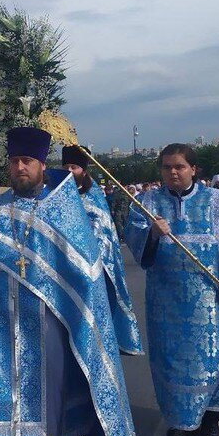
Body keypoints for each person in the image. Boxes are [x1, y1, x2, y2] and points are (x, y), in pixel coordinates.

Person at [0, 128, 142, 436]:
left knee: (48, 391)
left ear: (42, 165)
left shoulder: (63, 209)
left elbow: (84, 268)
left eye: (27, 161)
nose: (19, 167)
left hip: (47, 316)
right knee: (0, 394)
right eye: (14, 161)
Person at [126, 143, 219, 436]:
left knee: (215, 361)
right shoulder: (147, 202)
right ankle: (181, 419)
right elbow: (136, 243)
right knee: (171, 364)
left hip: (208, 301)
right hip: (164, 301)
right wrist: (151, 234)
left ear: (193, 169)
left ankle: (209, 421)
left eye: (179, 167)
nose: (172, 172)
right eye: (166, 167)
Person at [62, 145, 143, 355]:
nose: (70, 171)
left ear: (84, 171)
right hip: (62, 265)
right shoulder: (54, 195)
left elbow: (103, 231)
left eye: (74, 167)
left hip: (92, 266)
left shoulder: (94, 196)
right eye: (66, 167)